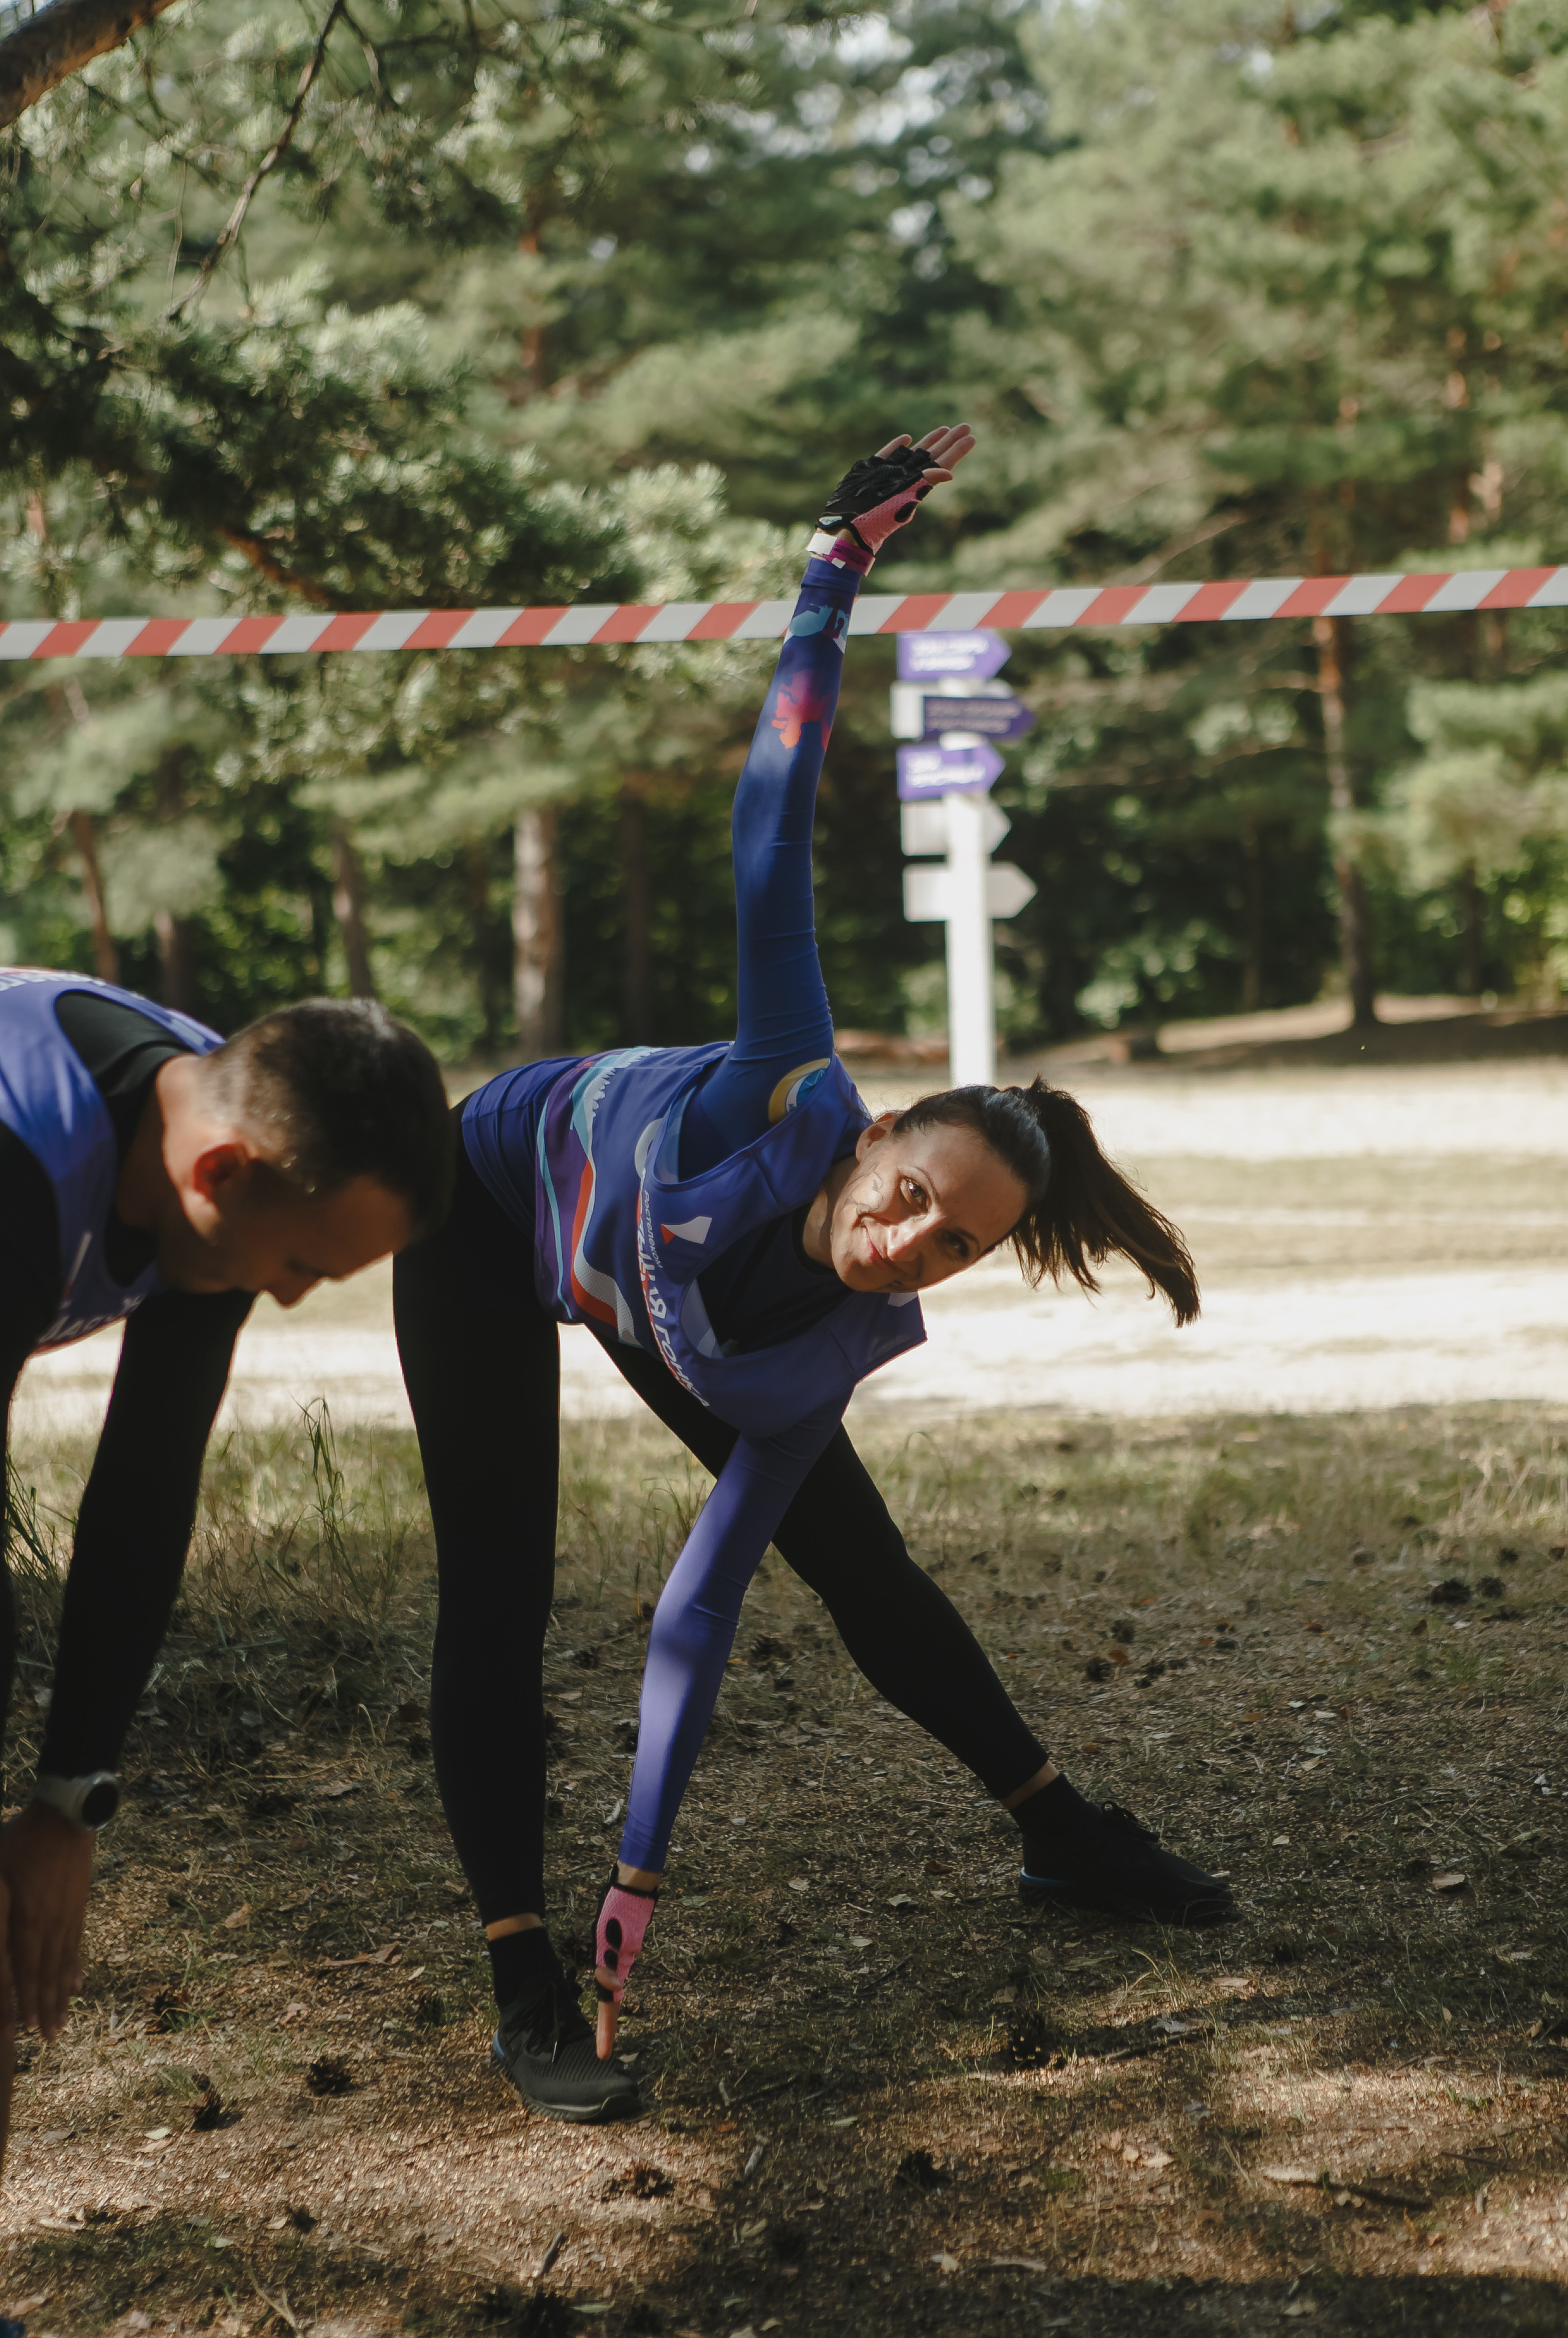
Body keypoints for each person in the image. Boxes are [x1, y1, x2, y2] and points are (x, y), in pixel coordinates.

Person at [393, 423, 1232, 2129]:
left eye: (959, 1242)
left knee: (858, 1557)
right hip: (490, 1219)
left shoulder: (836, 1329)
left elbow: (698, 1614)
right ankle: (520, 1974)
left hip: (674, 1299)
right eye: (915, 1191)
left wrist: (650, 1878)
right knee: (494, 1594)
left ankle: (1058, 1833)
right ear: (873, 1137)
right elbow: (769, 839)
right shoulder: (782, 1083)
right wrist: (826, 581)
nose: (911, 1236)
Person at [0, 976, 453, 2166]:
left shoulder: (226, 1124)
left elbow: (145, 1488)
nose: (292, 1298)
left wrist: (66, 1800)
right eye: (301, 1263)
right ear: (220, 1175)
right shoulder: (20, 1164)